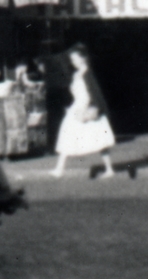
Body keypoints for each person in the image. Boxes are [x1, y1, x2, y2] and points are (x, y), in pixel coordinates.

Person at [49, 45, 118, 179]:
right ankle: (59, 169)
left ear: (83, 58)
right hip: (77, 108)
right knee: (68, 134)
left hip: (87, 108)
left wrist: (93, 109)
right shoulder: (77, 74)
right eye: (72, 59)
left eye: (75, 58)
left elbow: (94, 93)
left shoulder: (87, 73)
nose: (73, 61)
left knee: (99, 138)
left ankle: (109, 169)